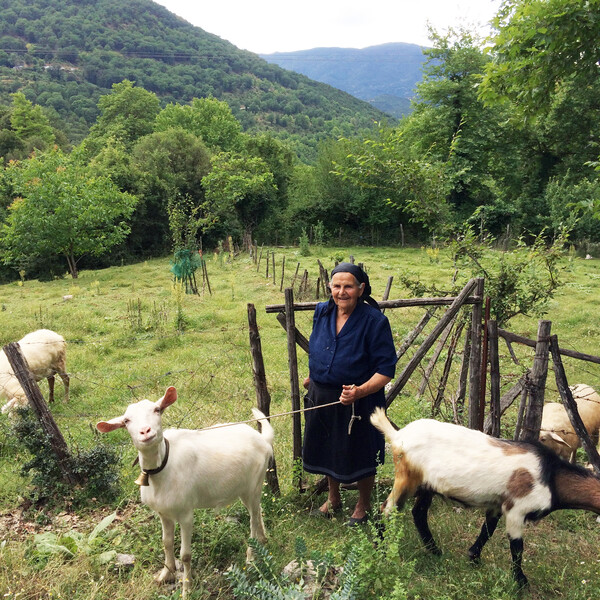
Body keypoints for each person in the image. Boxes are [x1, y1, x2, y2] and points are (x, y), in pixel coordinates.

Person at [302, 262, 397, 526]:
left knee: (361, 452)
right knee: (329, 448)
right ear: (330, 287)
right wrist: (315, 373)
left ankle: (363, 506)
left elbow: (386, 369)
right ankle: (333, 500)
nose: (341, 292)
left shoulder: (374, 321)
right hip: (323, 395)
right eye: (337, 286)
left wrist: (360, 391)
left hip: (359, 400)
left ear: (361, 289)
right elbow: (319, 345)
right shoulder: (322, 311)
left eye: (348, 286)